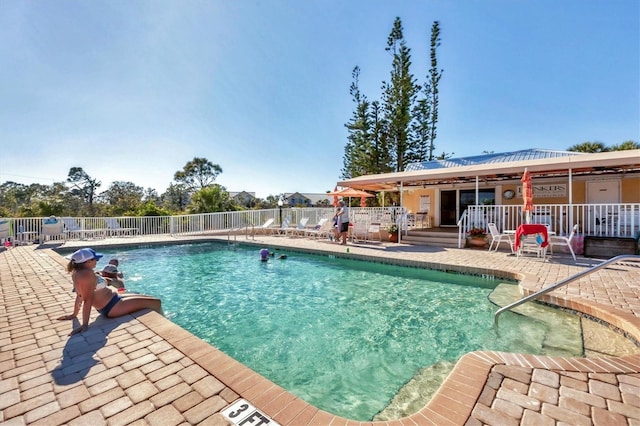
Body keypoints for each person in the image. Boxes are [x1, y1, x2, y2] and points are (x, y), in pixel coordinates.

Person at [57, 248, 162, 335]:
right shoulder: (87, 275)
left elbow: (79, 294)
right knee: (156, 302)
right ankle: (160, 328)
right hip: (112, 307)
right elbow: (87, 299)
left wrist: (74, 314)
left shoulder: (77, 272)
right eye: (95, 259)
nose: (97, 261)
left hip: (113, 301)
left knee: (146, 297)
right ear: (88, 262)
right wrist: (85, 324)